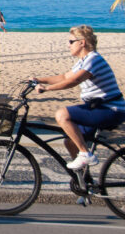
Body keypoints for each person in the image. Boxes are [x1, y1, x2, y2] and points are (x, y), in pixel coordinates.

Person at [34, 25, 125, 169]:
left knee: (62, 114)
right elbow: (64, 76)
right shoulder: (84, 60)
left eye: (71, 42)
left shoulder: (93, 59)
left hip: (111, 109)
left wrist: (46, 89)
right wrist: (39, 79)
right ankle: (84, 179)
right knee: (70, 142)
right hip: (98, 108)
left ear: (82, 42)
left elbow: (74, 81)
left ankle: (85, 154)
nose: (68, 45)